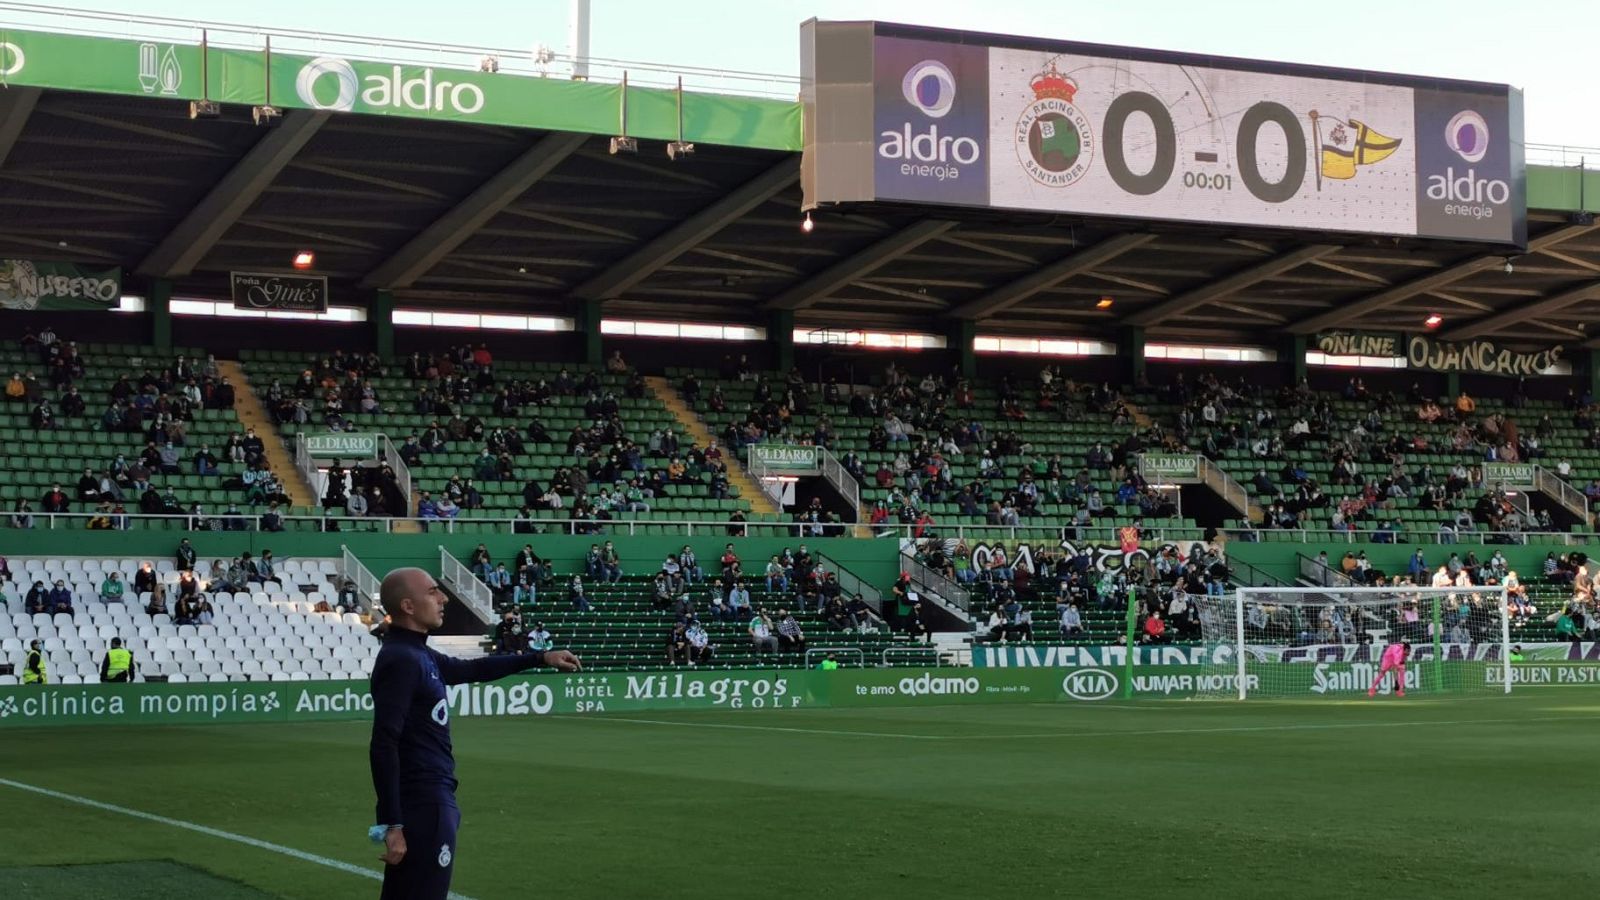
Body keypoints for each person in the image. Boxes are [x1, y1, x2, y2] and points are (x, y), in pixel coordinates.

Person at [368, 568, 580, 900]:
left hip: (428, 800)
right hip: (423, 802)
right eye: (433, 592)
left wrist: (540, 657)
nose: (444, 598)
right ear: (408, 606)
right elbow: (384, 743)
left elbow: (472, 669)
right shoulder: (403, 659)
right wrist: (392, 824)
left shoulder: (418, 653)